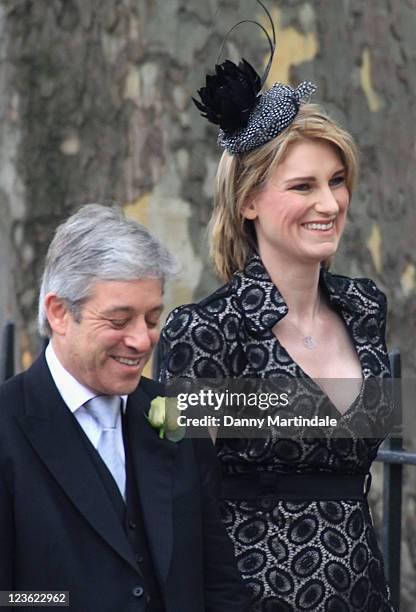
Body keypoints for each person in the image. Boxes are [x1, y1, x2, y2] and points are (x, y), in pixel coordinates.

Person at [158, 33, 395, 612]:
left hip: (365, 592)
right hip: (256, 598)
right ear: (248, 202)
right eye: (303, 186)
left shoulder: (365, 309)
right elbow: (177, 504)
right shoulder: (207, 332)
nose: (330, 203)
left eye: (337, 181)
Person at [0, 204, 251, 612]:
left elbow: (217, 581)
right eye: (120, 320)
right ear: (60, 313)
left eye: (152, 319)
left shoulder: (175, 416)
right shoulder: (7, 425)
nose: (141, 340)